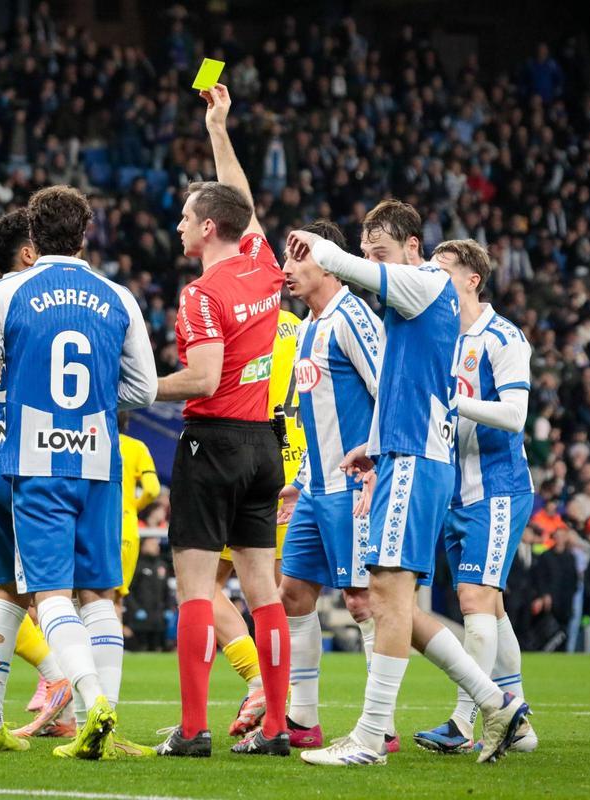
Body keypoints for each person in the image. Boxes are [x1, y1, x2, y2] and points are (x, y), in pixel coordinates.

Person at [287, 204, 528, 767]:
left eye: (382, 253)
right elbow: (405, 386)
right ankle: (496, 703)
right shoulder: (410, 304)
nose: (373, 264)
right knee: (392, 598)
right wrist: (370, 445)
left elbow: (359, 273)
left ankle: (371, 738)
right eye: (368, 253)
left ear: (412, 249)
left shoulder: (423, 283)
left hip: (418, 460)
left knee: (389, 597)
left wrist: (321, 251)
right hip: (403, 455)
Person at [0, 185, 157, 760]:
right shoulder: (119, 297)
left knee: (38, 590)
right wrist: (94, 406)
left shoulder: (5, 293)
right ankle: (95, 717)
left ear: (32, 236)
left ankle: (84, 706)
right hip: (99, 458)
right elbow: (146, 388)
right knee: (99, 595)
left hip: (26, 456)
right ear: (86, 235)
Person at [152, 83, 291, 758]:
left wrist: (140, 387)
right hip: (266, 446)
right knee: (263, 592)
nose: (178, 226)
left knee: (197, 592)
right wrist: (218, 127)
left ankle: (194, 729)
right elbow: (244, 203)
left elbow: (203, 378)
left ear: (208, 229)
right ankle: (274, 730)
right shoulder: (263, 267)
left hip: (214, 443)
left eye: (185, 217)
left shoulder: (202, 293)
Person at [0, 209, 75, 747]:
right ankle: (73, 686)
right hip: (33, 460)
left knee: (4, 593)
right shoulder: (33, 302)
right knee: (47, 594)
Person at [412, 239, 538, 755]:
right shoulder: (440, 337)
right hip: (455, 492)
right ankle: (520, 723)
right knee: (493, 607)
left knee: (473, 600)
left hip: (498, 487)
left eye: (443, 272)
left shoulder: (502, 335)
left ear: (471, 280)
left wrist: (456, 401)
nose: (434, 281)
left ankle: (466, 722)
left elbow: (515, 415)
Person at [274, 218, 386, 750]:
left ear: (329, 259)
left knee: (362, 602)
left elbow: (389, 389)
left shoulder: (353, 315)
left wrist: (380, 469)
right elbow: (314, 419)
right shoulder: (308, 327)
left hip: (353, 489)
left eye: (297, 258)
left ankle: (379, 726)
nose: (285, 269)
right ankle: (303, 719)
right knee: (293, 594)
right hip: (315, 490)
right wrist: (298, 480)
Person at [221, 304, 307, 739]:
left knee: (200, 586)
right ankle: (283, 704)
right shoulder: (303, 326)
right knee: (273, 599)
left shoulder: (244, 321)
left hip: (248, 464)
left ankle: (263, 684)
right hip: (296, 472)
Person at [117, 413, 159, 610]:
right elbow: (152, 489)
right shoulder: (136, 447)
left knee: (79, 599)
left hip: (91, 527)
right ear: (126, 422)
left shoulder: (90, 443)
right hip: (125, 527)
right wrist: (134, 505)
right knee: (114, 600)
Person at [124, 536, 169, 652]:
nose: (156, 546)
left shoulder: (162, 566)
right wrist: (135, 609)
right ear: (143, 546)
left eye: (157, 544)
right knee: (140, 648)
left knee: (158, 649)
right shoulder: (137, 565)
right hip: (139, 620)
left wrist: (168, 608)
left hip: (158, 618)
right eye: (152, 543)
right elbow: (128, 590)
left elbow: (166, 591)